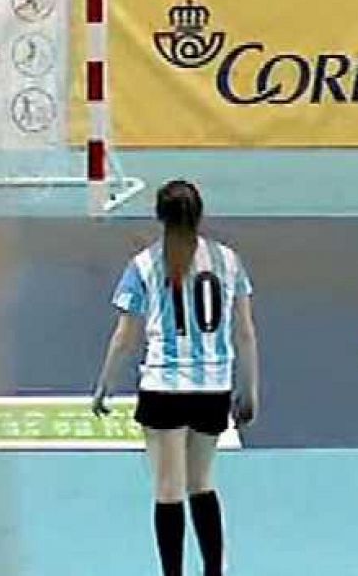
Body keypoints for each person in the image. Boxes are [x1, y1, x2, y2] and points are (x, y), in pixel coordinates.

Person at [91, 180, 261, 576]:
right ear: (200, 215)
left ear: (159, 218)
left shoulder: (144, 265)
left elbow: (124, 336)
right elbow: (246, 332)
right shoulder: (228, 261)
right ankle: (214, 571)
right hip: (213, 387)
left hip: (163, 388)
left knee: (168, 490)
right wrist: (249, 389)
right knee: (202, 482)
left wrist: (104, 384)